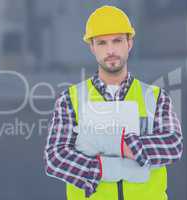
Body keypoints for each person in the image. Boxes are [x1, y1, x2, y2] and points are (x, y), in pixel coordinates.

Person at [44, 5, 183, 200]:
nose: (110, 50)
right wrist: (101, 168)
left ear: (129, 43)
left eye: (117, 41)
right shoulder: (69, 100)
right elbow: (55, 157)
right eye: (101, 43)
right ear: (92, 47)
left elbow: (173, 144)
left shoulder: (156, 97)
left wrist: (123, 146)